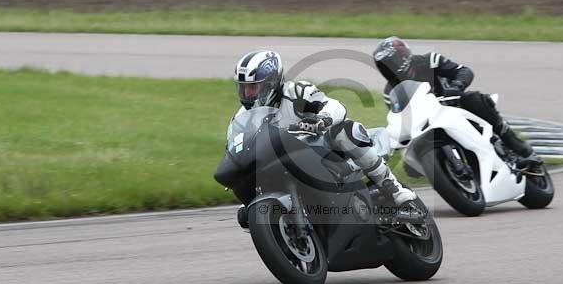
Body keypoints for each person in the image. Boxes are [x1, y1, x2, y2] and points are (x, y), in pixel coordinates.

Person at [231, 50, 417, 220]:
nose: (247, 93)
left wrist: (322, 120)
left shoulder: (295, 92)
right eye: (243, 87)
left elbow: (335, 106)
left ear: (270, 83)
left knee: (347, 130)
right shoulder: (241, 119)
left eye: (253, 87)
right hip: (280, 165)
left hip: (320, 150)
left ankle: (394, 190)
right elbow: (238, 152)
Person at [372, 36, 541, 164]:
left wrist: (457, 86)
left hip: (453, 104)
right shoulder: (390, 93)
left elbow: (463, 71)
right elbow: (400, 118)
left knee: (475, 99)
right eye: (385, 66)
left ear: (402, 56)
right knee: (411, 165)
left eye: (391, 62)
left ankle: (517, 146)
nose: (390, 68)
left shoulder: (429, 61)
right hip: (427, 122)